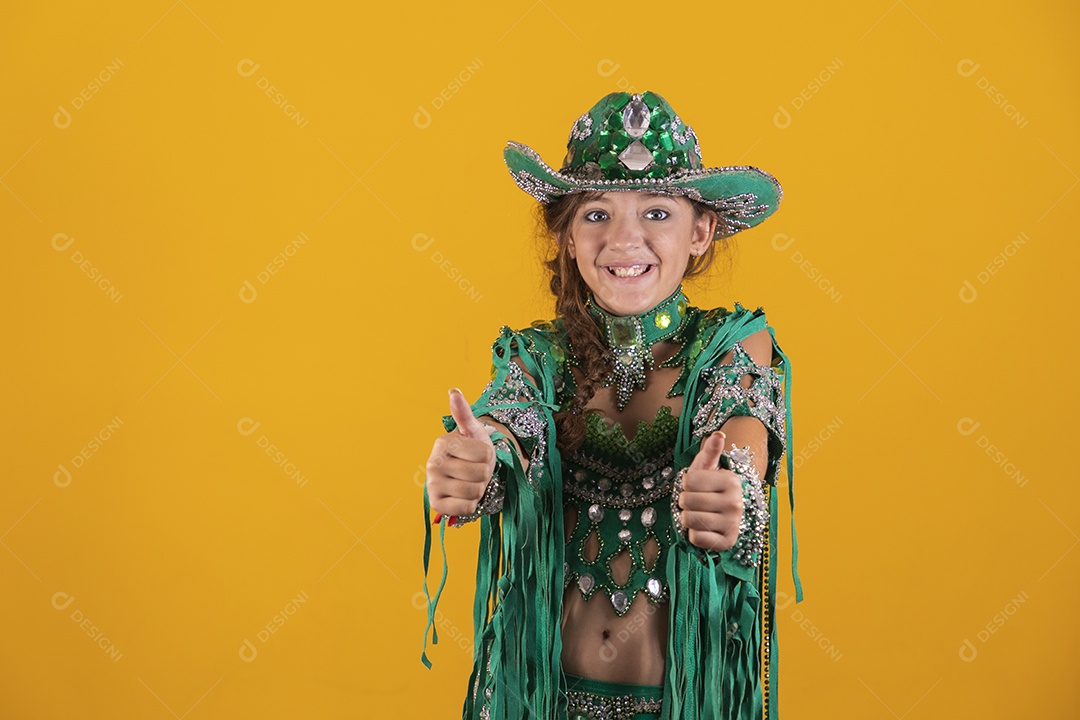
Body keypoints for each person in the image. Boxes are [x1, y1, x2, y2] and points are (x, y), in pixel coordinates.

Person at [420, 90, 804, 720]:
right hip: (533, 701)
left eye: (657, 212)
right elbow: (504, 428)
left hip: (680, 704)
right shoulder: (535, 356)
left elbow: (742, 437)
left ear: (701, 231)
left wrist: (734, 495)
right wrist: (476, 465)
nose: (626, 240)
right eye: (597, 214)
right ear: (567, 236)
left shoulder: (733, 343)